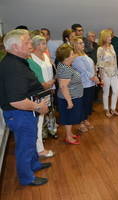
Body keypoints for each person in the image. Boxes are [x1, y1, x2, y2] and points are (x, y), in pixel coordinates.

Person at [0, 29, 51, 186]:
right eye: (27, 42)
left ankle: (34, 165)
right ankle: (27, 177)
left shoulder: (17, 61)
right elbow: (16, 100)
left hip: (25, 112)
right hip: (20, 113)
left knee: (31, 140)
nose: (31, 45)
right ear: (15, 47)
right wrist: (38, 107)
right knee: (25, 145)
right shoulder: (13, 67)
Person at [29, 35, 56, 158]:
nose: (44, 46)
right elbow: (34, 77)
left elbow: (50, 71)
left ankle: (38, 146)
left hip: (48, 90)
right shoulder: (31, 59)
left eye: (44, 43)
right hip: (39, 92)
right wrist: (44, 84)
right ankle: (39, 149)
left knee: (43, 118)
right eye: (41, 44)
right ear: (34, 45)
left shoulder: (45, 55)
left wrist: (51, 85)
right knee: (38, 121)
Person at [56, 43, 83, 145]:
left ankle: (70, 134)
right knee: (68, 118)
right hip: (68, 98)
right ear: (66, 57)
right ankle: (68, 137)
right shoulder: (65, 69)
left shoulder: (64, 64)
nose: (74, 55)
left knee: (70, 117)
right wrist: (69, 101)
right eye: (72, 54)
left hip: (72, 96)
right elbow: (63, 86)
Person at [72, 36, 100, 131]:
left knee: (88, 103)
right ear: (75, 45)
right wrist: (94, 78)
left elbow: (91, 66)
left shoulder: (84, 54)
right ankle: (80, 123)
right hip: (83, 84)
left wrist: (95, 75)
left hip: (90, 83)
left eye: (82, 42)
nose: (83, 44)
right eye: (80, 43)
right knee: (82, 104)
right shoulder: (75, 57)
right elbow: (83, 71)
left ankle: (85, 119)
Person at [96, 29, 118, 118]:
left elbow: (114, 59)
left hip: (114, 72)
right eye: (109, 36)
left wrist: (116, 71)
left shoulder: (112, 47)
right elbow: (99, 63)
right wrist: (101, 78)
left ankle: (113, 109)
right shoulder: (100, 49)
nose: (111, 38)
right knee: (106, 92)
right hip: (105, 73)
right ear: (104, 38)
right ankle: (106, 109)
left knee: (116, 91)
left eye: (111, 36)